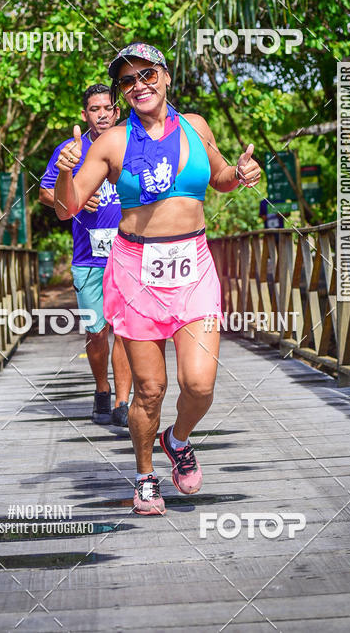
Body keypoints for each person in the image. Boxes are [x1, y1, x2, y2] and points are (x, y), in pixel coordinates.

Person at [53, 44, 262, 515]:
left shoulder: (196, 126)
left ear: (166, 77)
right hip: (135, 272)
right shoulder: (111, 143)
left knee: (200, 385)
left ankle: (178, 439)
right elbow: (68, 206)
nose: (138, 85)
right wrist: (67, 172)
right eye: (127, 81)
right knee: (150, 389)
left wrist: (241, 171)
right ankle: (146, 476)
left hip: (194, 267)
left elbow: (221, 178)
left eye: (147, 74)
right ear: (122, 93)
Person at [39, 83, 132, 427]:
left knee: (124, 330)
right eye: (95, 109)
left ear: (117, 112)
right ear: (85, 114)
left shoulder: (130, 144)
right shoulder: (70, 150)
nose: (102, 114)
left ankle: (123, 401)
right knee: (96, 331)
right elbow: (45, 194)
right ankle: (102, 390)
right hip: (88, 256)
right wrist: (75, 196)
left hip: (127, 252)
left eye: (108, 108)